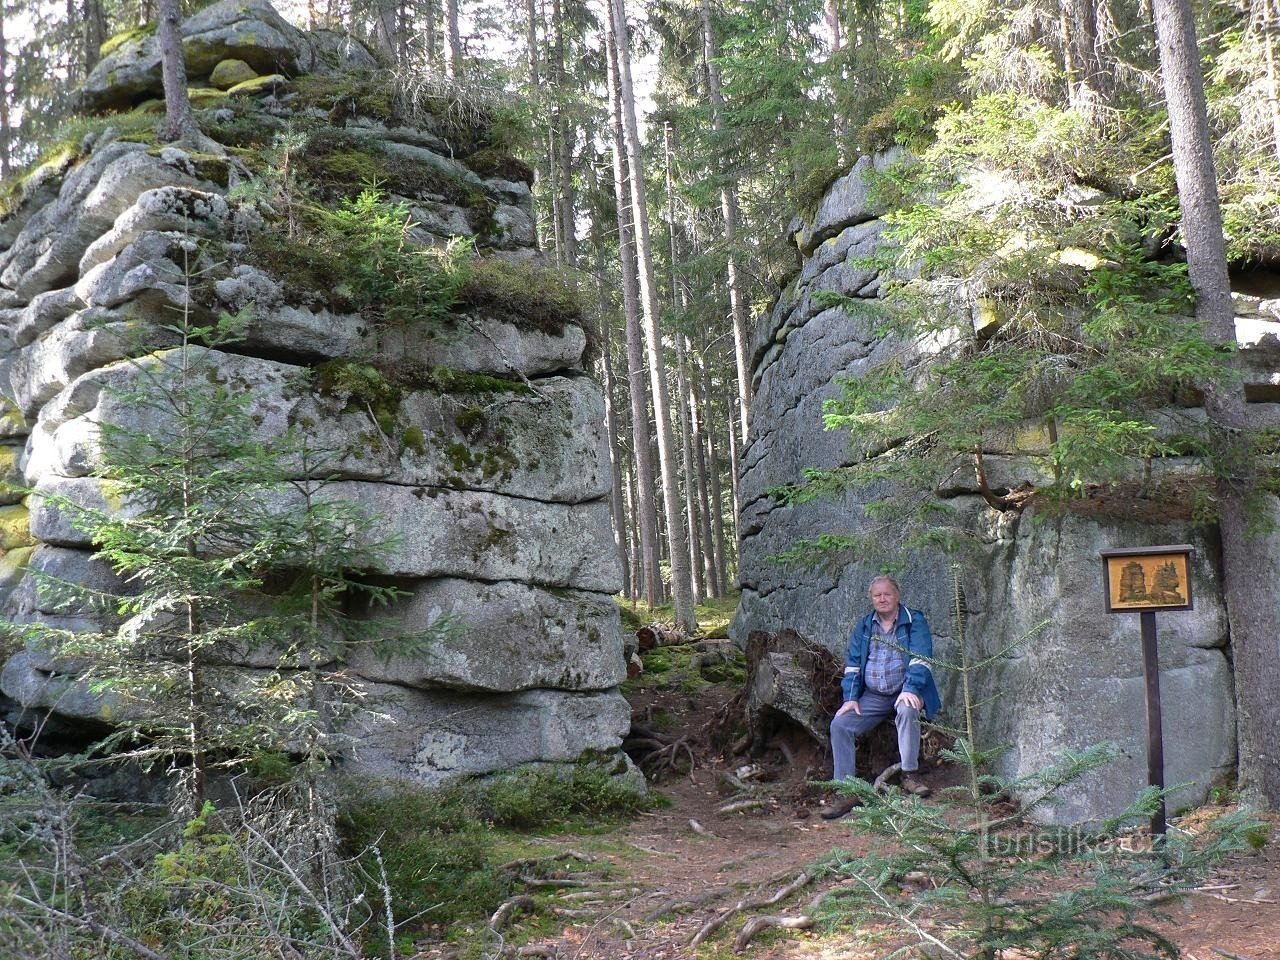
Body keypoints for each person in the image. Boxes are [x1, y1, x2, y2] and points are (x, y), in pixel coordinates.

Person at [820, 575, 942, 820]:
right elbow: (853, 664)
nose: (882, 599)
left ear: (897, 596)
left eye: (887, 594)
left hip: (903, 690)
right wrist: (851, 697)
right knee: (840, 725)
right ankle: (846, 790)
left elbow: (921, 658)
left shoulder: (913, 621)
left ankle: (909, 775)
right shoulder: (865, 626)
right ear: (871, 599)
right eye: (877, 595)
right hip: (873, 695)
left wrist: (912, 689)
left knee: (908, 711)